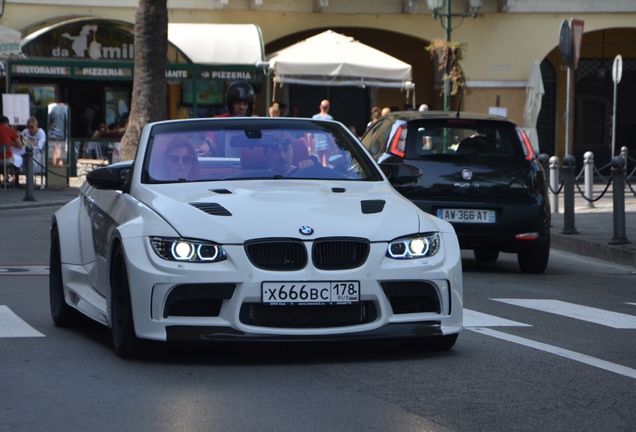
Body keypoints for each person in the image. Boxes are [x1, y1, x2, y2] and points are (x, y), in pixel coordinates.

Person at [200, 81, 256, 156]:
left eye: (245, 104)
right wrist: (206, 146)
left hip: (250, 161)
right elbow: (210, 139)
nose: (241, 107)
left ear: (249, 106)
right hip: (224, 162)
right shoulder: (218, 121)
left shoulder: (255, 122)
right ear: (231, 104)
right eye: (237, 103)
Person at [18, 116, 47, 187]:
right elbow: (22, 142)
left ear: (36, 126)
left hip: (38, 154)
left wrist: (29, 142)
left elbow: (40, 146)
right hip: (26, 152)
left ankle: (31, 181)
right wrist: (33, 143)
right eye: (28, 127)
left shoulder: (41, 132)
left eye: (32, 127)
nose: (30, 129)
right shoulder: (25, 132)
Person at [0, 115, 23, 185]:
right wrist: (11, 143)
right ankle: (10, 179)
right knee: (18, 159)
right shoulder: (10, 130)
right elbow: (20, 145)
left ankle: (5, 177)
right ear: (7, 123)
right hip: (7, 158)